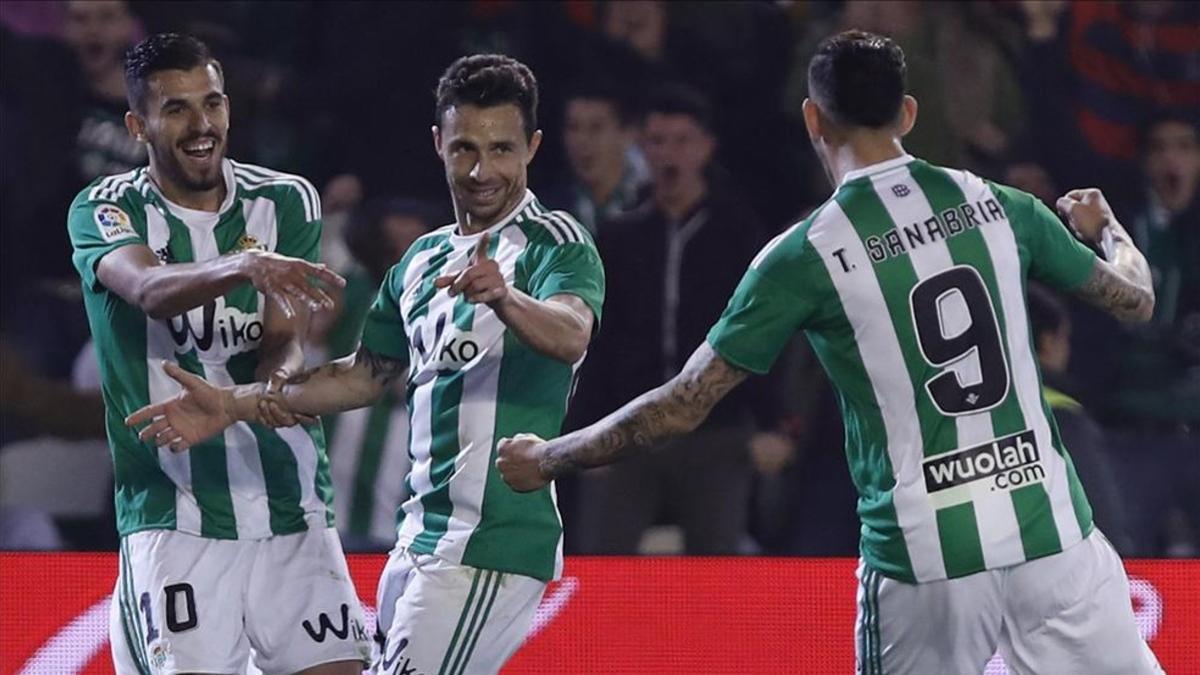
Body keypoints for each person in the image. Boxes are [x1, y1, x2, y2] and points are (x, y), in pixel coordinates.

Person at [497, 31, 1163, 674]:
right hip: (1049, 530)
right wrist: (1108, 231)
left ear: (814, 118)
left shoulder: (805, 254)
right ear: (907, 112)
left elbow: (681, 406)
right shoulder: (1000, 205)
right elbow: (1135, 299)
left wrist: (549, 456)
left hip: (924, 556)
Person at [125, 54, 606, 674]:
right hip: (417, 543)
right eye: (464, 148)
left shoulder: (555, 242)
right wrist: (233, 404)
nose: (482, 170)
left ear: (534, 147)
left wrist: (507, 298)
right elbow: (363, 376)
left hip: (492, 544)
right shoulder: (422, 261)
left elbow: (571, 334)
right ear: (438, 144)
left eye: (503, 150)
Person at [65, 33, 368, 674]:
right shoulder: (106, 208)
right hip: (175, 513)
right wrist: (244, 265)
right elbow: (148, 290)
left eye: (213, 103)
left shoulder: (285, 200)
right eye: (176, 109)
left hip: (291, 502)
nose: (202, 125)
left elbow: (283, 342)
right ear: (137, 125)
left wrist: (257, 397)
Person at [569, 84, 774, 555]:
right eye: (658, 142)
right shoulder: (620, 236)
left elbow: (763, 331)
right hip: (629, 424)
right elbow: (599, 340)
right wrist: (587, 428)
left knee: (716, 572)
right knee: (600, 563)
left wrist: (771, 424)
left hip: (715, 427)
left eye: (682, 141)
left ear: (705, 148)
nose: (668, 155)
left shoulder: (738, 231)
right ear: (642, 147)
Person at [541, 81, 648, 234]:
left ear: (628, 134)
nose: (581, 140)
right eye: (573, 127)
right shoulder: (548, 211)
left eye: (596, 128)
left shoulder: (653, 202)